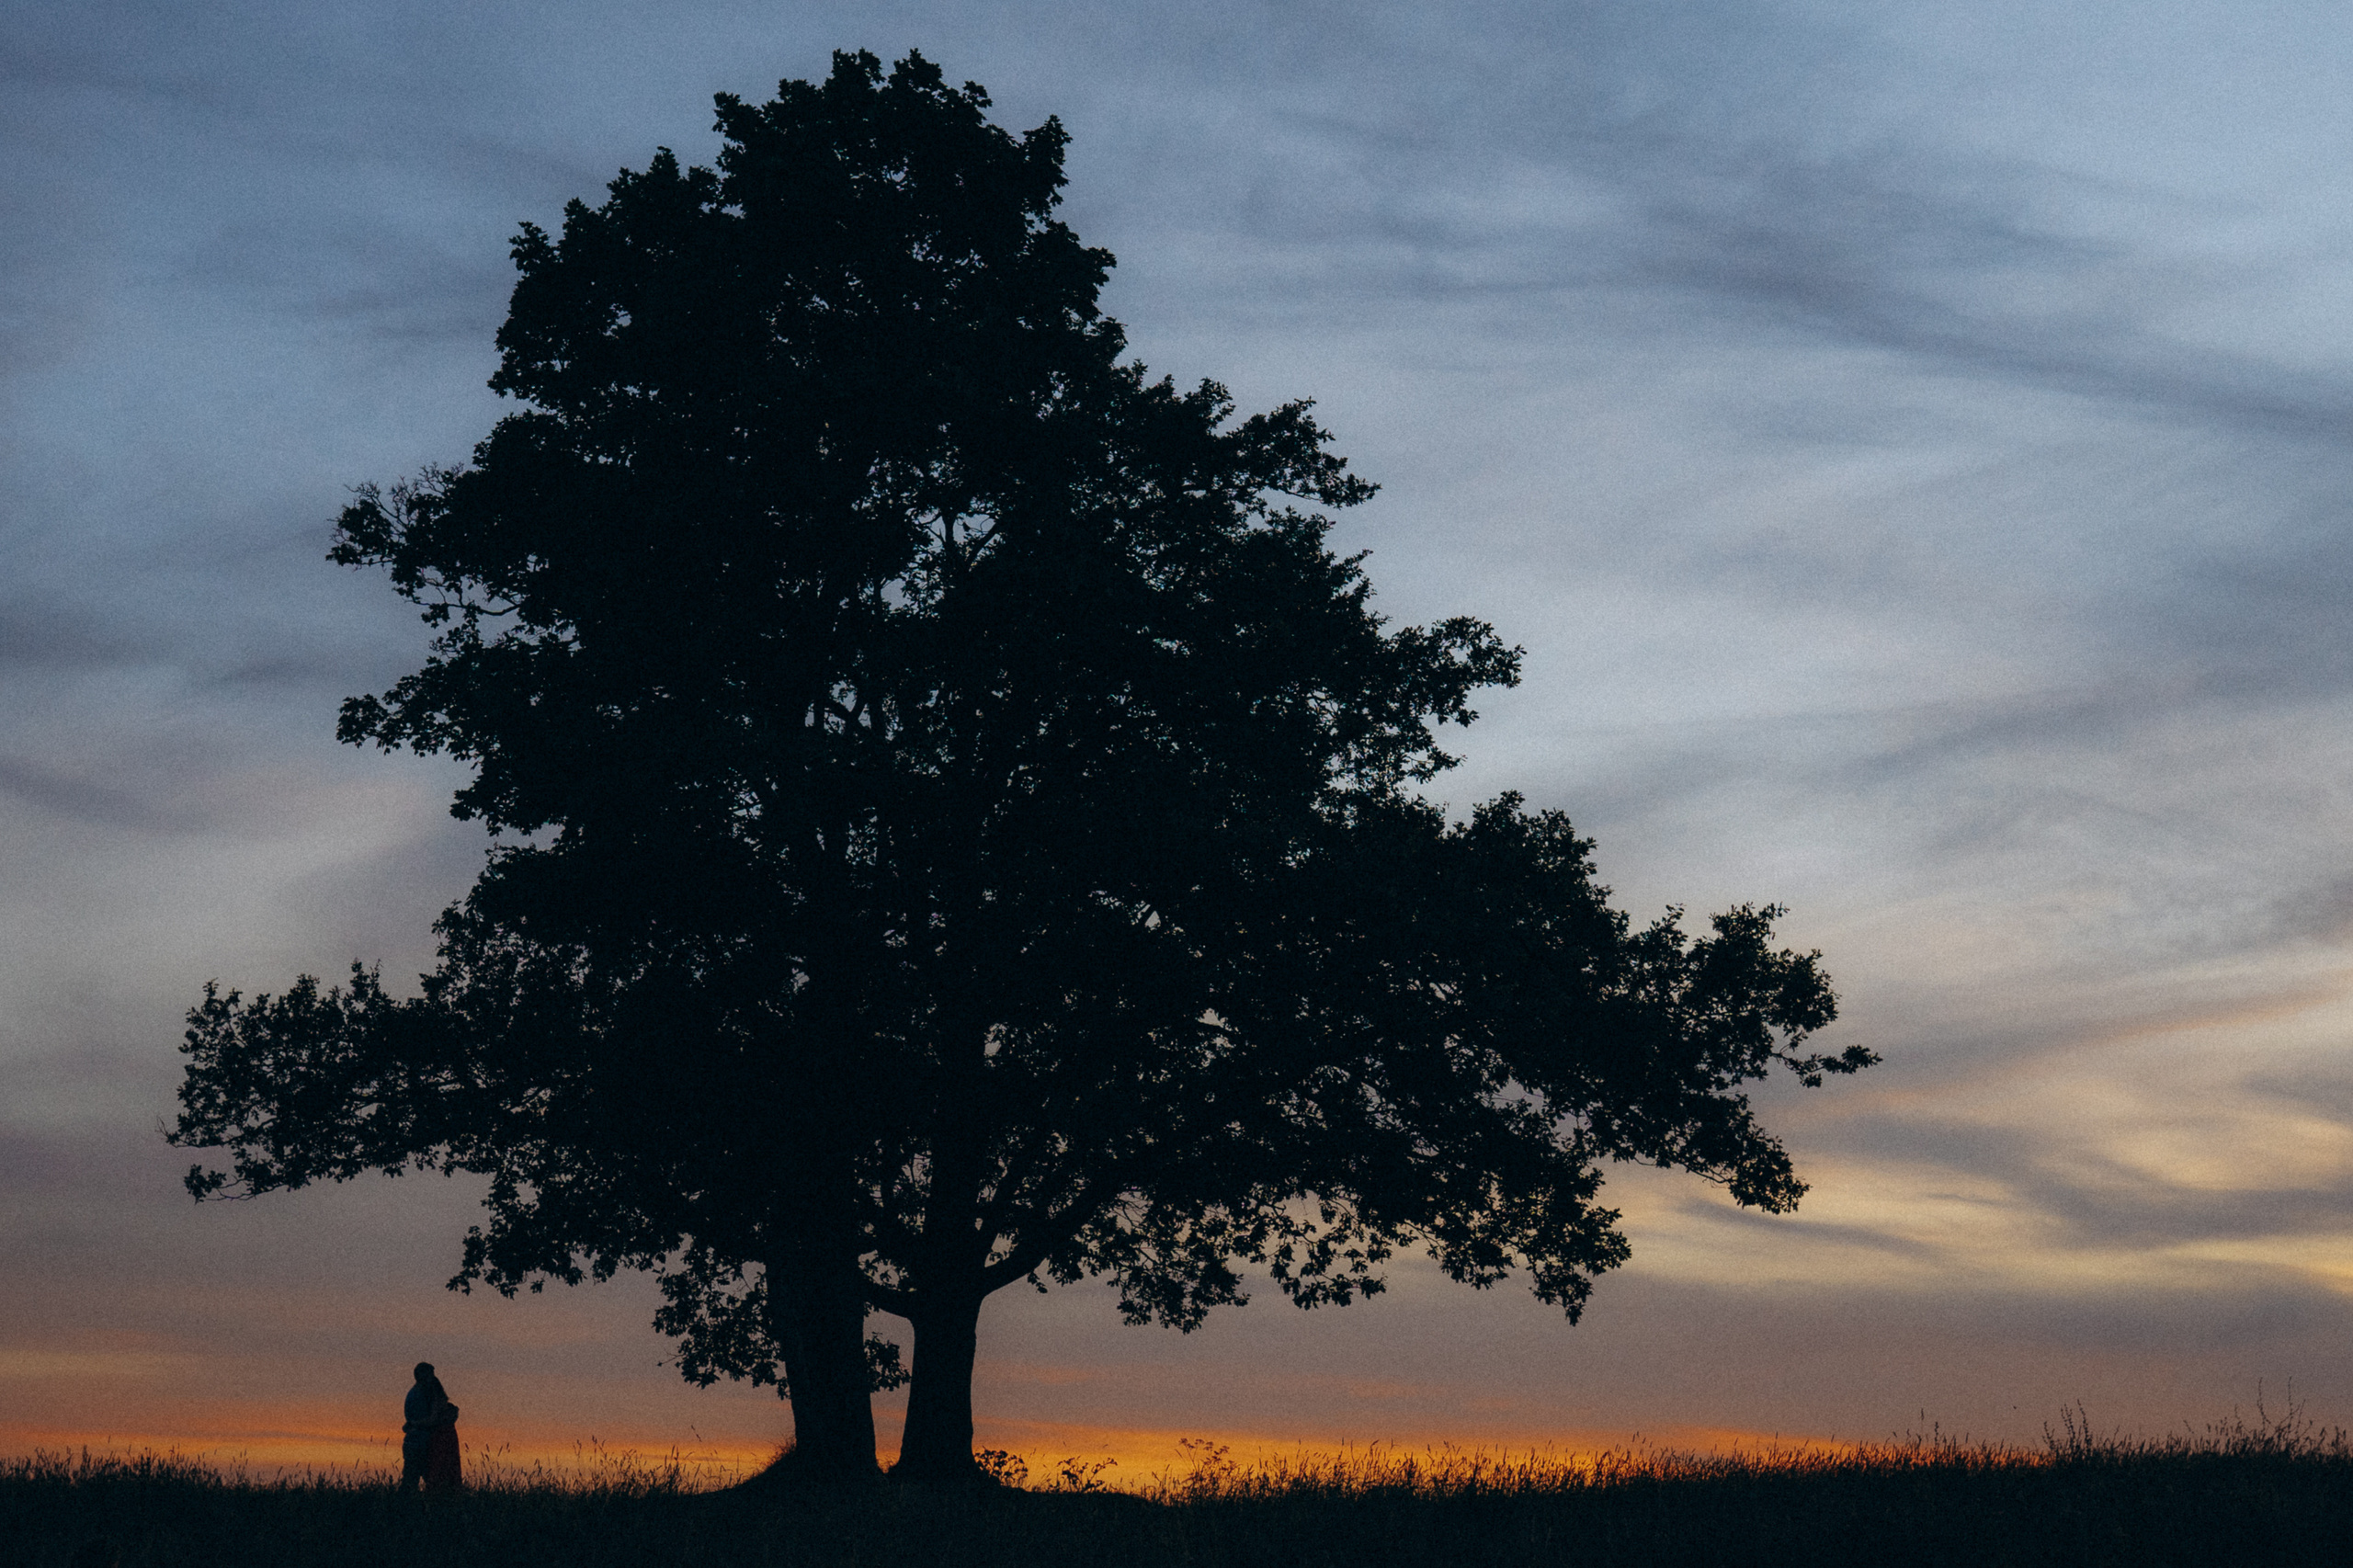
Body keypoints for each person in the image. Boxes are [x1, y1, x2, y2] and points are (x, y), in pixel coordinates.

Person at [399, 1361, 450, 1493]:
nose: (432, 1377)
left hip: (416, 1441)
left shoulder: (415, 1393)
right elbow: (431, 1420)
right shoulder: (421, 1395)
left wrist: (412, 1424)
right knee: (424, 1479)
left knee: (412, 1479)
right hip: (422, 1442)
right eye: (429, 1374)